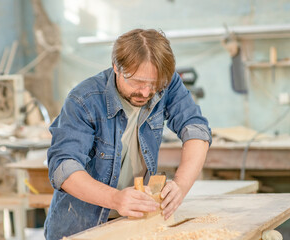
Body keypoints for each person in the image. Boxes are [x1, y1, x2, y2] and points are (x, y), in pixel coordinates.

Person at [44, 28, 211, 239]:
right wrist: (116, 199)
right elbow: (63, 168)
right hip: (81, 228)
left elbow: (196, 129)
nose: (145, 92)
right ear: (116, 67)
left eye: (153, 85)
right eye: (137, 82)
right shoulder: (83, 100)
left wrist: (180, 185)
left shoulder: (167, 84)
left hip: (134, 223)